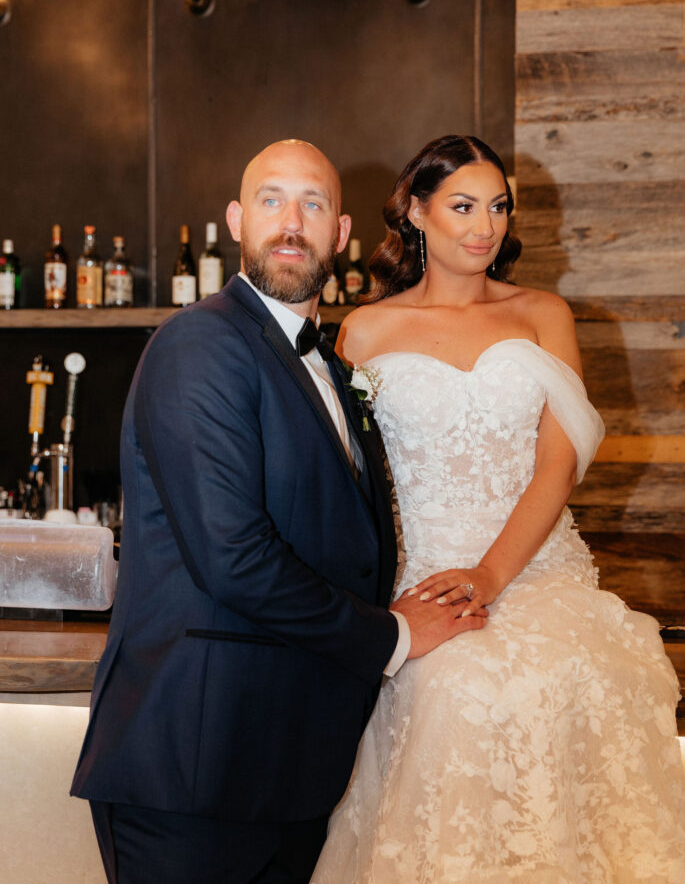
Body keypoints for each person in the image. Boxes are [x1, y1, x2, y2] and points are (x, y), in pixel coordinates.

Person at [70, 139, 488, 884]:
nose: (290, 222)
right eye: (271, 200)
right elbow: (234, 557)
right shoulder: (199, 343)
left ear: (341, 233)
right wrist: (392, 635)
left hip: (293, 770)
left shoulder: (332, 366)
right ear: (236, 219)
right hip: (196, 769)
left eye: (313, 204)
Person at [312, 134, 685, 883]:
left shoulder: (543, 313)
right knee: (454, 688)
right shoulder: (362, 330)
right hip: (420, 573)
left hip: (535, 565)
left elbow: (558, 460)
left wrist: (489, 573)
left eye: (497, 207)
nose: (484, 226)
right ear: (416, 213)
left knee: (576, 672)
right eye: (461, 206)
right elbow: (347, 479)